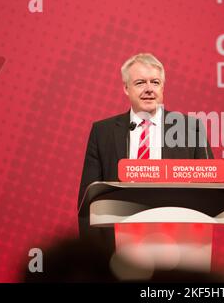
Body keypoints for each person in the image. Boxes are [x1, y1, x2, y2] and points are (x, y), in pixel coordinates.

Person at [77, 53, 213, 258]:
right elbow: (88, 200)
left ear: (162, 88)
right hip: (118, 249)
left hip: (178, 245)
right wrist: (93, 255)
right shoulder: (102, 131)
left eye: (155, 82)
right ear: (126, 88)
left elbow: (210, 192)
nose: (149, 89)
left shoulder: (190, 128)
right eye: (140, 82)